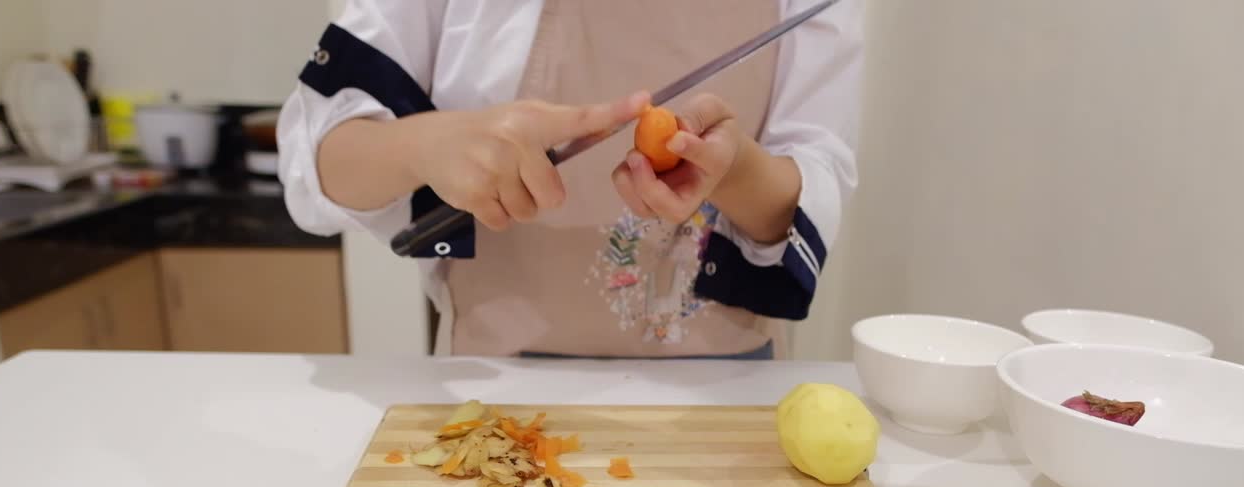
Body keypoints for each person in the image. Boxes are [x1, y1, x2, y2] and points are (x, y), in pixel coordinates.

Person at [278, 0, 862, 359]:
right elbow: (315, 168)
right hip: (496, 384)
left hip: (724, 399)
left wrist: (732, 171)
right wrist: (425, 145)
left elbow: (812, 182)